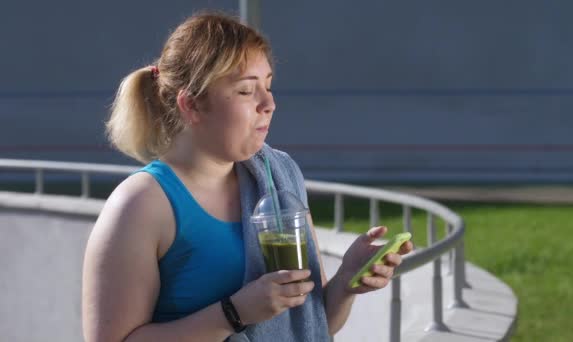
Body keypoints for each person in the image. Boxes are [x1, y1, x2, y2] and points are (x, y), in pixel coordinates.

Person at [82, 11, 413, 342]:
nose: (269, 103)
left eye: (268, 85)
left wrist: (345, 282)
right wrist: (235, 312)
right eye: (246, 91)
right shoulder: (140, 205)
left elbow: (310, 322)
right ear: (192, 105)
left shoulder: (279, 176)